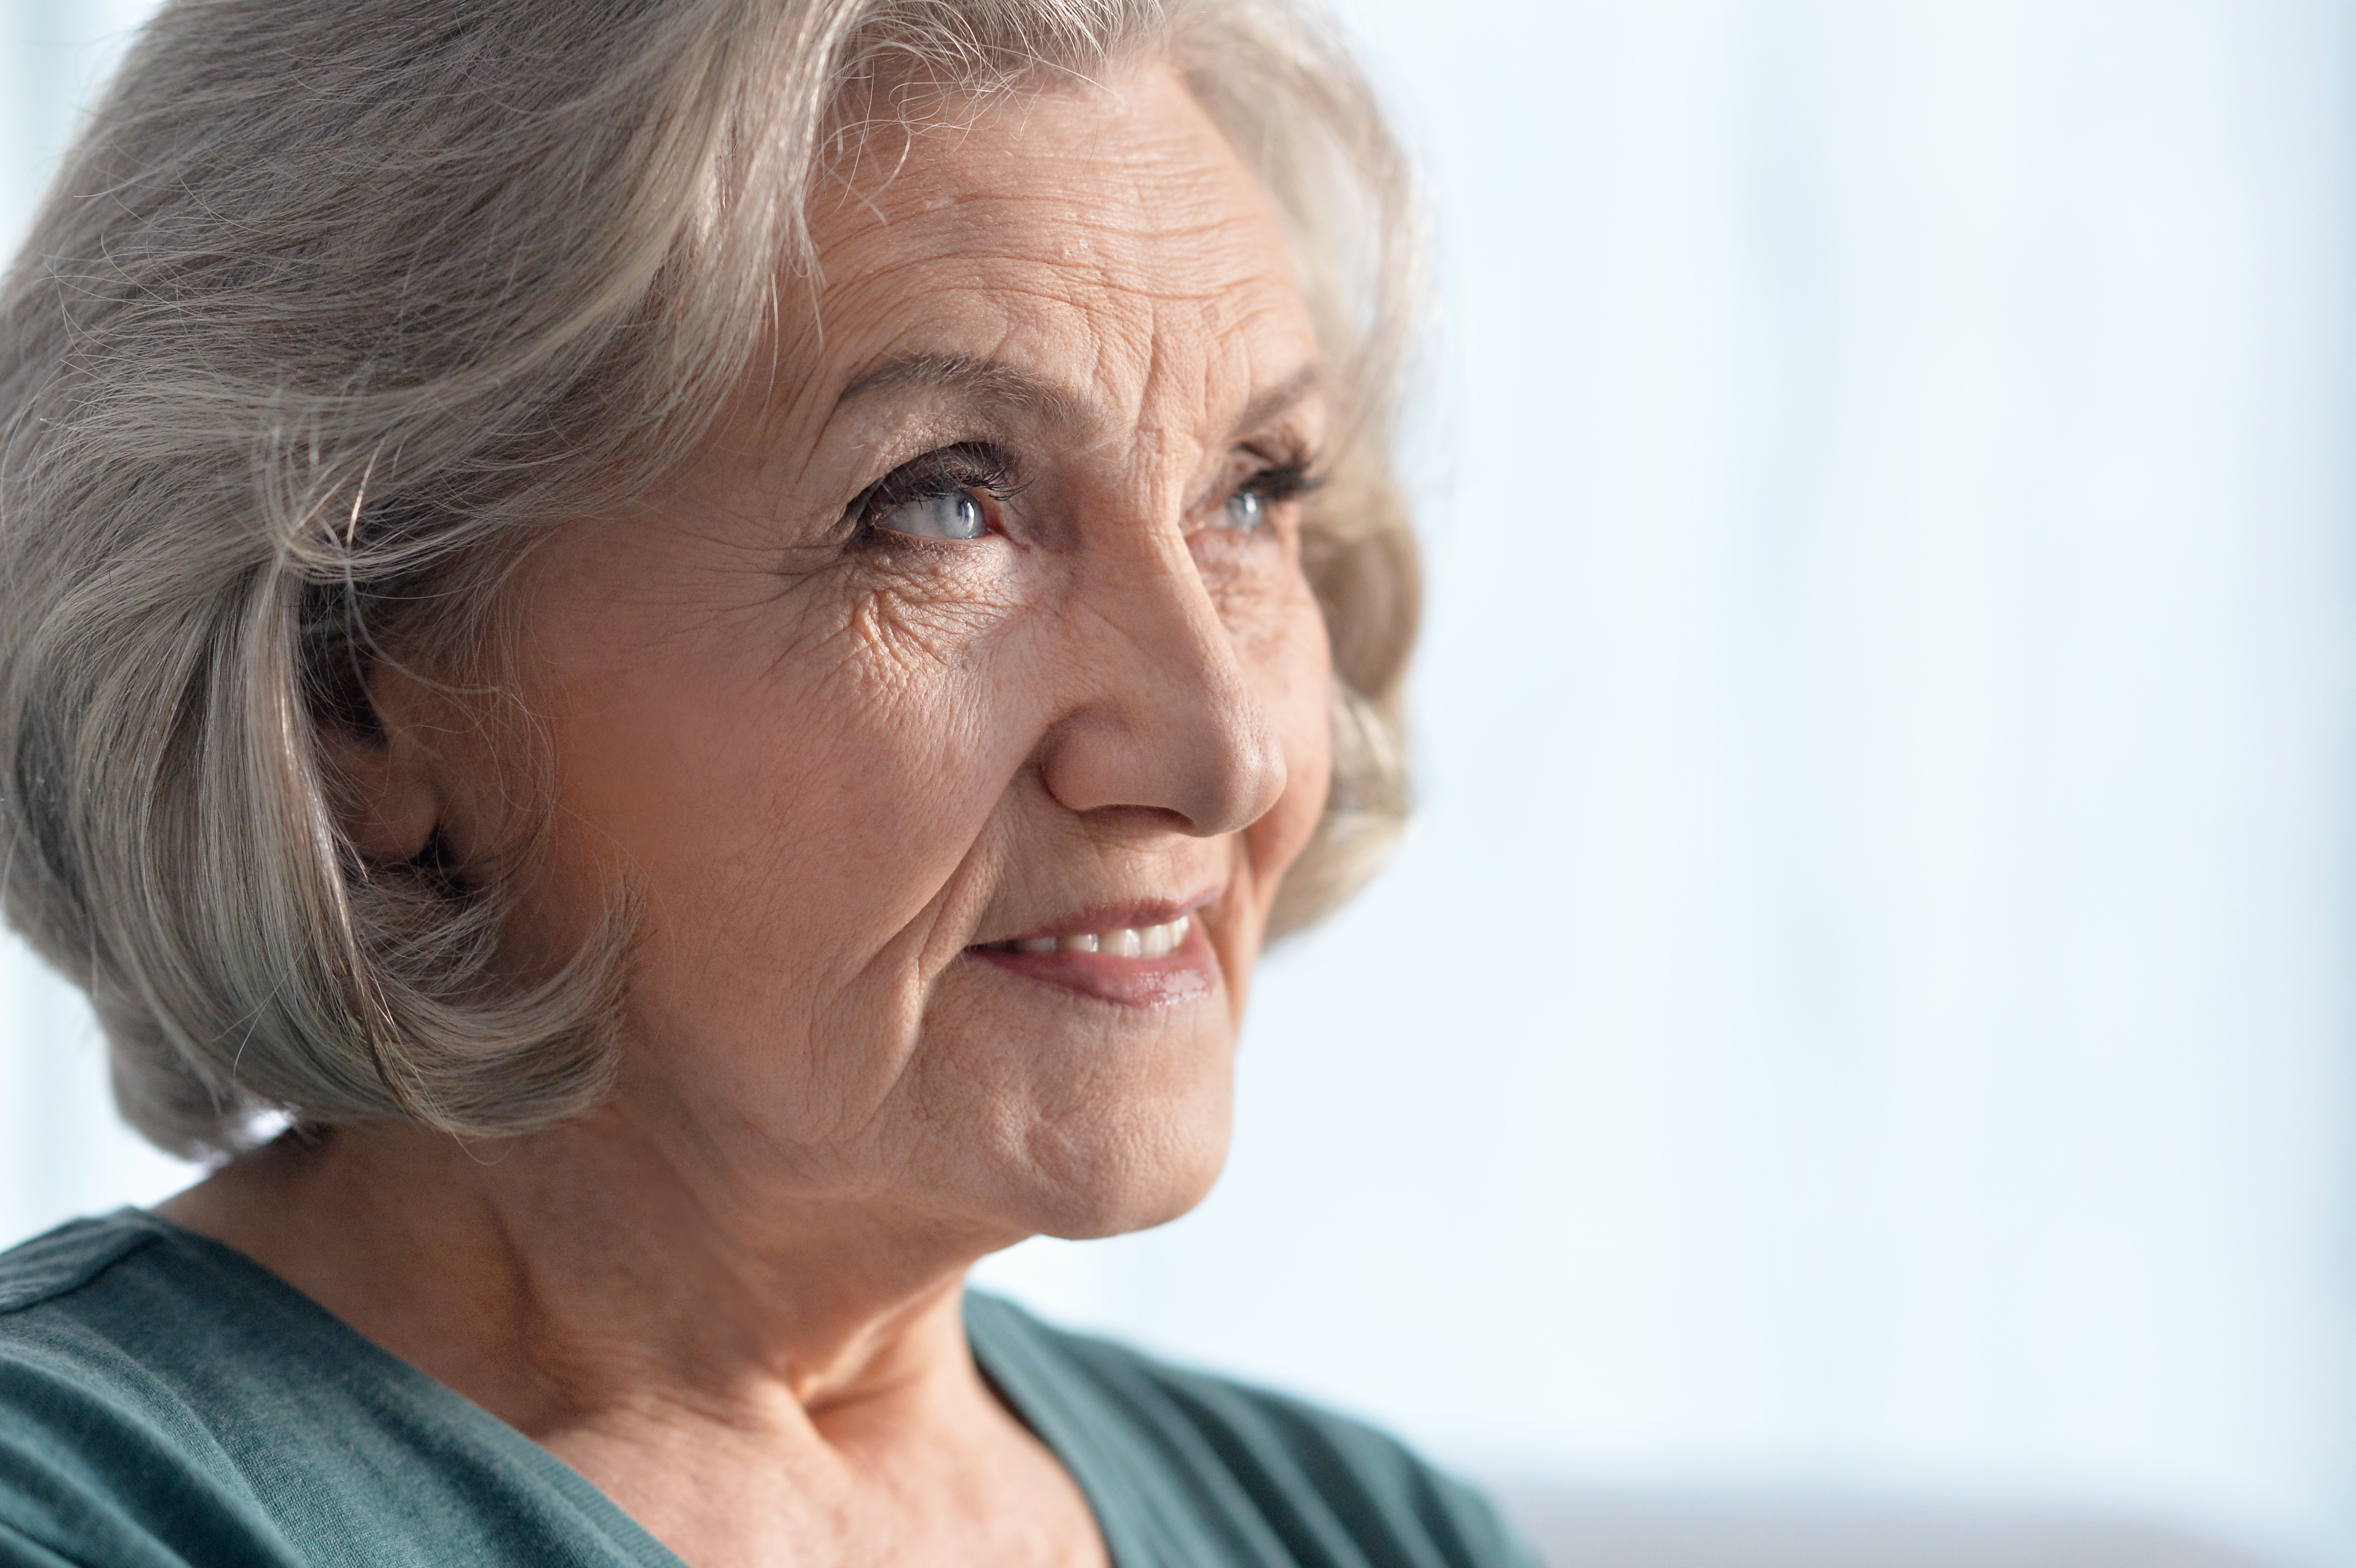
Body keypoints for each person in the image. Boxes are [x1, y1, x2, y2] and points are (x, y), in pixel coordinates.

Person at [0, 0, 1525, 1563]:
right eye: (943, 507)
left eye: (1251, 496)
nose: (1228, 753)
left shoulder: (1368, 1530)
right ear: (350, 692)